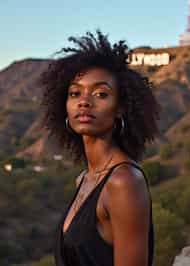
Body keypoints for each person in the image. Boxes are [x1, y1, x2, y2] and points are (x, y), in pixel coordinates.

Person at [40, 30, 160, 266]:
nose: (84, 101)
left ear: (120, 108)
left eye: (101, 94)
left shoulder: (124, 182)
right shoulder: (84, 179)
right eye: (75, 93)